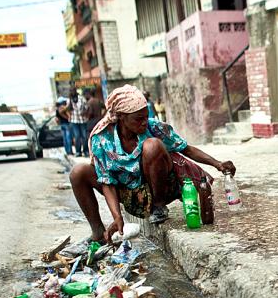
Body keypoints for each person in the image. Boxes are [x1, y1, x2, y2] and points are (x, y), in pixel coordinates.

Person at [70, 85, 236, 242]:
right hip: (128, 195)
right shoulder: (101, 138)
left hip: (160, 188)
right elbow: (107, 182)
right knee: (78, 172)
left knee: (152, 145)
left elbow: (187, 149)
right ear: (121, 117)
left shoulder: (153, 127)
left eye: (145, 116)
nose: (144, 122)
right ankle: (98, 232)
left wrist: (217, 164)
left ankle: (159, 207)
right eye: (138, 119)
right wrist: (117, 217)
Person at [68, 88, 88, 156]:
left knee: (84, 136)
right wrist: (70, 99)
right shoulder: (69, 100)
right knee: (77, 136)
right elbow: (69, 109)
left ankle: (85, 151)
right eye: (71, 91)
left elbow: (87, 107)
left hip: (82, 120)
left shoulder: (81, 98)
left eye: (73, 90)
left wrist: (84, 112)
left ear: (75, 91)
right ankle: (78, 152)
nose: (72, 92)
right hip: (74, 121)